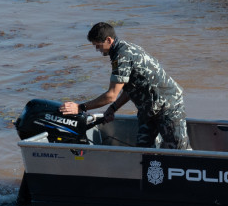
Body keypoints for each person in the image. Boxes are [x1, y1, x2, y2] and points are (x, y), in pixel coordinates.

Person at [60, 22, 190, 149]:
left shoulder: (122, 55)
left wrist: (81, 107)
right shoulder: (122, 49)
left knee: (179, 150)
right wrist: (113, 108)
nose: (97, 50)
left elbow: (111, 95)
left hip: (168, 105)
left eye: (98, 45)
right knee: (144, 151)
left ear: (109, 40)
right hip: (149, 108)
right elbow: (131, 88)